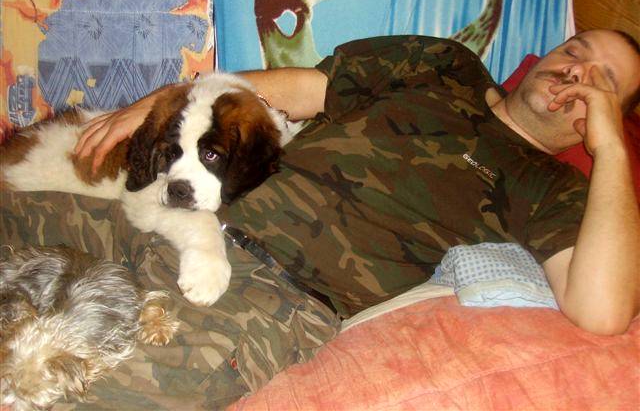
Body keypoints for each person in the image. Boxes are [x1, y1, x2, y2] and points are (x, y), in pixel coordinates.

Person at [1, 30, 638, 408]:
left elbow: (603, 311)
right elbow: (296, 89)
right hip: (179, 218)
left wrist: (610, 150)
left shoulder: (553, 188)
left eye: (601, 80)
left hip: (272, 294)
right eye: (574, 50)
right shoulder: (448, 67)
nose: (574, 70)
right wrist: (158, 105)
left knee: (92, 395)